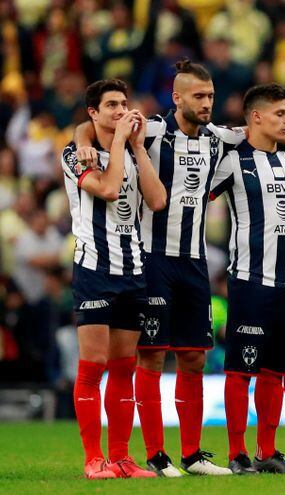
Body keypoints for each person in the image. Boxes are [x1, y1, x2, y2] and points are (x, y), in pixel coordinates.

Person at [72, 59, 285, 477]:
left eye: (210, 95)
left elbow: (264, 130)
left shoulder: (219, 138)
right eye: (198, 96)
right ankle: (157, 455)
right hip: (153, 259)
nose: (207, 103)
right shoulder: (153, 130)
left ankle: (192, 455)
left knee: (194, 356)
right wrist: (80, 135)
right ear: (177, 98)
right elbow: (103, 126)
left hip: (195, 262)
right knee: (153, 358)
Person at [208, 83, 285, 475]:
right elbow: (197, 200)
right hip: (249, 280)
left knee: (276, 371)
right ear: (256, 117)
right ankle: (236, 454)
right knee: (242, 369)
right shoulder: (232, 161)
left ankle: (266, 452)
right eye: (281, 114)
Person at [63, 79, 166, 479]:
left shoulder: (135, 148)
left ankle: (122, 458)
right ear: (93, 113)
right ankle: (93, 459)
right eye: (111, 105)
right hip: (94, 268)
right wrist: (121, 142)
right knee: (94, 365)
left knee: (124, 368)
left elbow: (157, 201)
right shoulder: (77, 154)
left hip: (133, 270)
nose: (121, 111)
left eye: (124, 103)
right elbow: (106, 189)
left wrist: (138, 147)